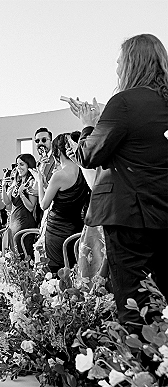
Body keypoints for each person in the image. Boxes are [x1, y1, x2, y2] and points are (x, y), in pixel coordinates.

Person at [65, 33, 168, 326]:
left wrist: (88, 126)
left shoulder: (124, 102)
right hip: (164, 212)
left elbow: (90, 155)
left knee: (133, 298)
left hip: (129, 216)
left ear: (132, 64)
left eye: (120, 62)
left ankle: (141, 366)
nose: (117, 68)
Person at [30, 133, 90, 274]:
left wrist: (39, 180)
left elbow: (44, 205)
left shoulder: (60, 175)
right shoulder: (84, 171)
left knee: (57, 272)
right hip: (76, 227)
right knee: (73, 269)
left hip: (57, 230)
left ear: (57, 152)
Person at [1, 154, 38, 256]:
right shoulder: (17, 183)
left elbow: (31, 207)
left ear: (29, 166)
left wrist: (22, 194)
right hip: (13, 223)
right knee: (13, 257)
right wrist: (3, 186)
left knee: (23, 255)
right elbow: (6, 201)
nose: (18, 168)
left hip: (24, 223)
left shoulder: (32, 182)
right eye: (17, 165)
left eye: (21, 164)